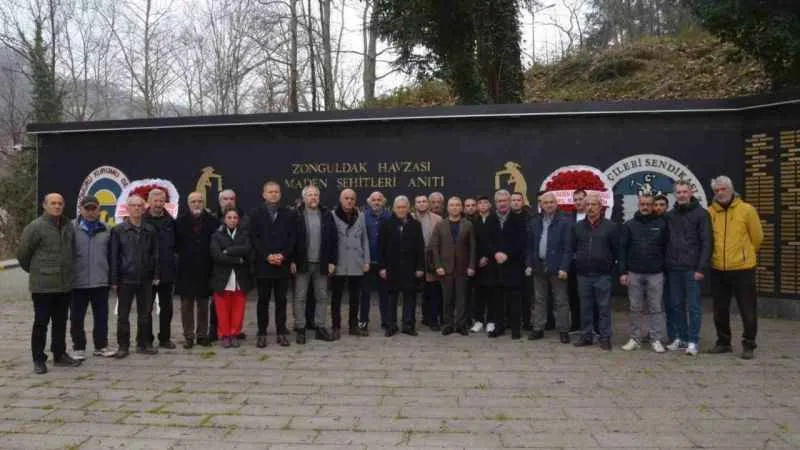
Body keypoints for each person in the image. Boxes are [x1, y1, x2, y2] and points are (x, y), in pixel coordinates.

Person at [18, 193, 82, 374]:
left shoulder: (69, 225)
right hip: (43, 286)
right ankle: (38, 359)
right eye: (53, 203)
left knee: (60, 322)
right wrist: (38, 272)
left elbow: (73, 251)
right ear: (44, 206)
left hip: (64, 285)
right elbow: (23, 255)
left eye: (60, 203)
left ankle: (59, 354)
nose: (57, 206)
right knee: (41, 323)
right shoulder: (35, 227)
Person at [707, 176, 763, 359]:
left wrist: (745, 255)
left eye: (723, 189)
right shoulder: (710, 212)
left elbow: (757, 237)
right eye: (716, 190)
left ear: (731, 189)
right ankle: (723, 342)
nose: (720, 193)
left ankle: (749, 344)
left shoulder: (747, 210)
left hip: (742, 268)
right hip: (718, 268)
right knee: (720, 308)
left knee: (747, 308)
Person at [664, 180, 711, 356]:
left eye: (685, 191)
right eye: (678, 192)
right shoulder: (670, 215)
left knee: (693, 307)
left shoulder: (701, 214)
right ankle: (681, 338)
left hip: (692, 268)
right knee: (676, 305)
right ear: (675, 194)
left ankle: (693, 341)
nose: (682, 195)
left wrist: (701, 268)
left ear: (690, 193)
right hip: (674, 268)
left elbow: (706, 243)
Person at [110, 194, 160, 359]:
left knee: (145, 313)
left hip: (145, 278)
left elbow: (155, 254)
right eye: (133, 205)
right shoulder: (118, 230)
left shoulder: (150, 230)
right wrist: (114, 279)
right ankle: (123, 346)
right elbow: (114, 256)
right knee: (123, 315)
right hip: (125, 278)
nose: (137, 208)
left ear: (144, 208)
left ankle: (143, 343)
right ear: (128, 208)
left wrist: (156, 274)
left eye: (139, 205)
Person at [619, 194, 668, 353]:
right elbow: (623, 251)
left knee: (656, 307)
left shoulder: (662, 224)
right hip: (634, 273)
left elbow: (667, 249)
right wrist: (623, 272)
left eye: (648, 204)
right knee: (635, 307)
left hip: (656, 273)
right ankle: (635, 338)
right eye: (642, 204)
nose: (645, 207)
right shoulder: (629, 225)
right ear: (638, 205)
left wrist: (665, 270)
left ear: (653, 205)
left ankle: (656, 339)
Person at [250, 181, 297, 348]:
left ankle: (281, 332)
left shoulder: (289, 214)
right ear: (264, 194)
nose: (273, 194)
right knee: (262, 300)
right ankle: (262, 333)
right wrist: (267, 256)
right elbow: (254, 238)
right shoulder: (255, 214)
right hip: (264, 265)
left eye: (276, 192)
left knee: (281, 300)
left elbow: (292, 238)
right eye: (270, 192)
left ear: (280, 194)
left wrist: (283, 255)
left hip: (282, 265)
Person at [572, 194, 619, 351]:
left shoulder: (610, 227)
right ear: (584, 207)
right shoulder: (578, 227)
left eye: (594, 204)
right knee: (585, 307)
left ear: (600, 207)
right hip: (583, 274)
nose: (590, 208)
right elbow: (573, 248)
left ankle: (604, 337)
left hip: (602, 275)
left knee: (604, 307)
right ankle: (586, 335)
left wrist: (610, 267)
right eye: (588, 205)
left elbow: (616, 251)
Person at [70, 196, 115, 360]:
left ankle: (101, 346)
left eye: (93, 209)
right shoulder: (71, 228)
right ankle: (78, 347)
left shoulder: (107, 229)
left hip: (100, 281)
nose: (90, 212)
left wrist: (111, 277)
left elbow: (112, 256)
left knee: (102, 317)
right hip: (77, 282)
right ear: (81, 209)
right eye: (87, 209)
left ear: (99, 210)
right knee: (76, 317)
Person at [291, 185, 337, 343]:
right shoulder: (296, 214)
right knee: (300, 297)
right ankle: (300, 328)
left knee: (322, 297)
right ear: (304, 198)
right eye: (310, 195)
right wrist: (291, 260)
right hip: (302, 262)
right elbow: (291, 240)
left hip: (321, 262)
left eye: (316, 195)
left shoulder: (326, 215)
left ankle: (320, 327)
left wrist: (332, 261)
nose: (313, 198)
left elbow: (333, 239)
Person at [525, 192, 572, 344]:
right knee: (539, 299)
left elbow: (568, 248)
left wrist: (564, 267)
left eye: (552, 202)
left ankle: (563, 330)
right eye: (546, 203)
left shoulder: (565, 222)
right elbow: (530, 246)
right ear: (541, 205)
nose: (549, 205)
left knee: (561, 300)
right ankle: (538, 329)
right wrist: (529, 264)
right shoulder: (535, 222)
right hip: (538, 265)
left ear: (556, 204)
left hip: (557, 267)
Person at [175, 192, 219, 349]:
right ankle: (188, 336)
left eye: (200, 201)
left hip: (206, 269)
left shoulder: (213, 222)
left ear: (204, 202)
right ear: (188, 204)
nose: (197, 204)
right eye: (193, 201)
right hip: (185, 270)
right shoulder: (179, 222)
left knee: (203, 304)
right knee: (186, 305)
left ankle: (202, 335)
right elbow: (176, 246)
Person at [484, 189, 527, 339]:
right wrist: (495, 253)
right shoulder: (490, 219)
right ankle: (499, 327)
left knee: (514, 299)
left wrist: (507, 254)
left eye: (504, 201)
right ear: (495, 203)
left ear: (509, 202)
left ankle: (516, 329)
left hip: (513, 265)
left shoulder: (519, 220)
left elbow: (521, 242)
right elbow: (486, 242)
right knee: (497, 300)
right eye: (499, 201)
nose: (502, 204)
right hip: (495, 266)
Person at [379, 196, 425, 336]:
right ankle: (391, 325)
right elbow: (381, 248)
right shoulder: (386, 224)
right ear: (394, 208)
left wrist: (420, 267)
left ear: (408, 208)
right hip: (392, 267)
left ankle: (408, 325)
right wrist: (382, 267)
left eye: (404, 207)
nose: (401, 210)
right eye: (398, 207)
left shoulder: (416, 225)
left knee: (410, 297)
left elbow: (420, 247)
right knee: (391, 298)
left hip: (410, 268)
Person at [430, 197, 476, 336]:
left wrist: (472, 265)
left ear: (461, 208)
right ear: (447, 208)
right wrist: (437, 265)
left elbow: (473, 247)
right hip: (445, 268)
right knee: (447, 298)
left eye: (457, 205)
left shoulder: (468, 225)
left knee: (462, 298)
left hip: (463, 267)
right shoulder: (440, 225)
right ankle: (448, 324)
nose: (455, 207)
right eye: (452, 205)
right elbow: (434, 247)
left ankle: (461, 325)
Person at [331, 188, 370, 339]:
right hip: (339, 262)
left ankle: (353, 326)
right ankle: (335, 326)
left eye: (352, 199)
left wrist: (366, 260)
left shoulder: (360, 216)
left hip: (356, 261)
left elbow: (364, 239)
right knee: (336, 297)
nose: (349, 201)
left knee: (355, 297)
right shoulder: (333, 216)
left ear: (355, 201)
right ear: (341, 200)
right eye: (346, 198)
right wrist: (330, 261)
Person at [210, 208, 253, 349]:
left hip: (240, 277)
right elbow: (217, 256)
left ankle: (234, 333)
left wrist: (228, 251)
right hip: (222, 278)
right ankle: (225, 335)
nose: (232, 220)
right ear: (224, 219)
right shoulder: (216, 236)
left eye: (235, 217)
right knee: (222, 309)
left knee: (238, 309)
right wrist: (237, 260)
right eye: (229, 217)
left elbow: (246, 249)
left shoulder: (244, 235)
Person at [143, 189, 177, 350]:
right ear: (148, 201)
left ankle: (164, 338)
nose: (158, 204)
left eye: (161, 200)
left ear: (165, 202)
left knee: (167, 309)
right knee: (146, 308)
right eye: (155, 201)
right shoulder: (141, 221)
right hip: (147, 273)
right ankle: (147, 339)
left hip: (166, 272)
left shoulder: (171, 222)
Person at [362, 191, 391, 332]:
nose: (376, 202)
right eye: (373, 199)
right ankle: (363, 322)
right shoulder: (362, 217)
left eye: (379, 199)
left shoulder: (390, 217)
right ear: (369, 202)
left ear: (383, 202)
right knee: (365, 294)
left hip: (383, 263)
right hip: (366, 262)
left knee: (385, 294)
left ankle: (386, 321)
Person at [414, 195, 442, 330]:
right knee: (414, 291)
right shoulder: (410, 218)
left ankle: (432, 319)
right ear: (415, 204)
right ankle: (412, 319)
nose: (422, 204)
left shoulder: (437, 219)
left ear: (428, 204)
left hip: (431, 259)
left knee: (433, 290)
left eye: (424, 201)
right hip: (414, 260)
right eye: (419, 202)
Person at [568, 189, 589, 333]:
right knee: (573, 294)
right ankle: (575, 324)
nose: (578, 202)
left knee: (589, 295)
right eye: (575, 199)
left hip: (589, 262)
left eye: (580, 199)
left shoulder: (593, 216)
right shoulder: (568, 218)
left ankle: (592, 325)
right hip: (573, 263)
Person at [471, 196, 493, 333]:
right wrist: (478, 259)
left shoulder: (495, 220)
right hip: (477, 263)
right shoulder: (473, 222)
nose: (483, 205)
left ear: (490, 205)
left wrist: (488, 257)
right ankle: (478, 320)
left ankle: (491, 321)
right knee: (478, 293)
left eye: (485, 202)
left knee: (492, 293)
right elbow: (472, 243)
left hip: (492, 263)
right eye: (480, 203)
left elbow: (497, 241)